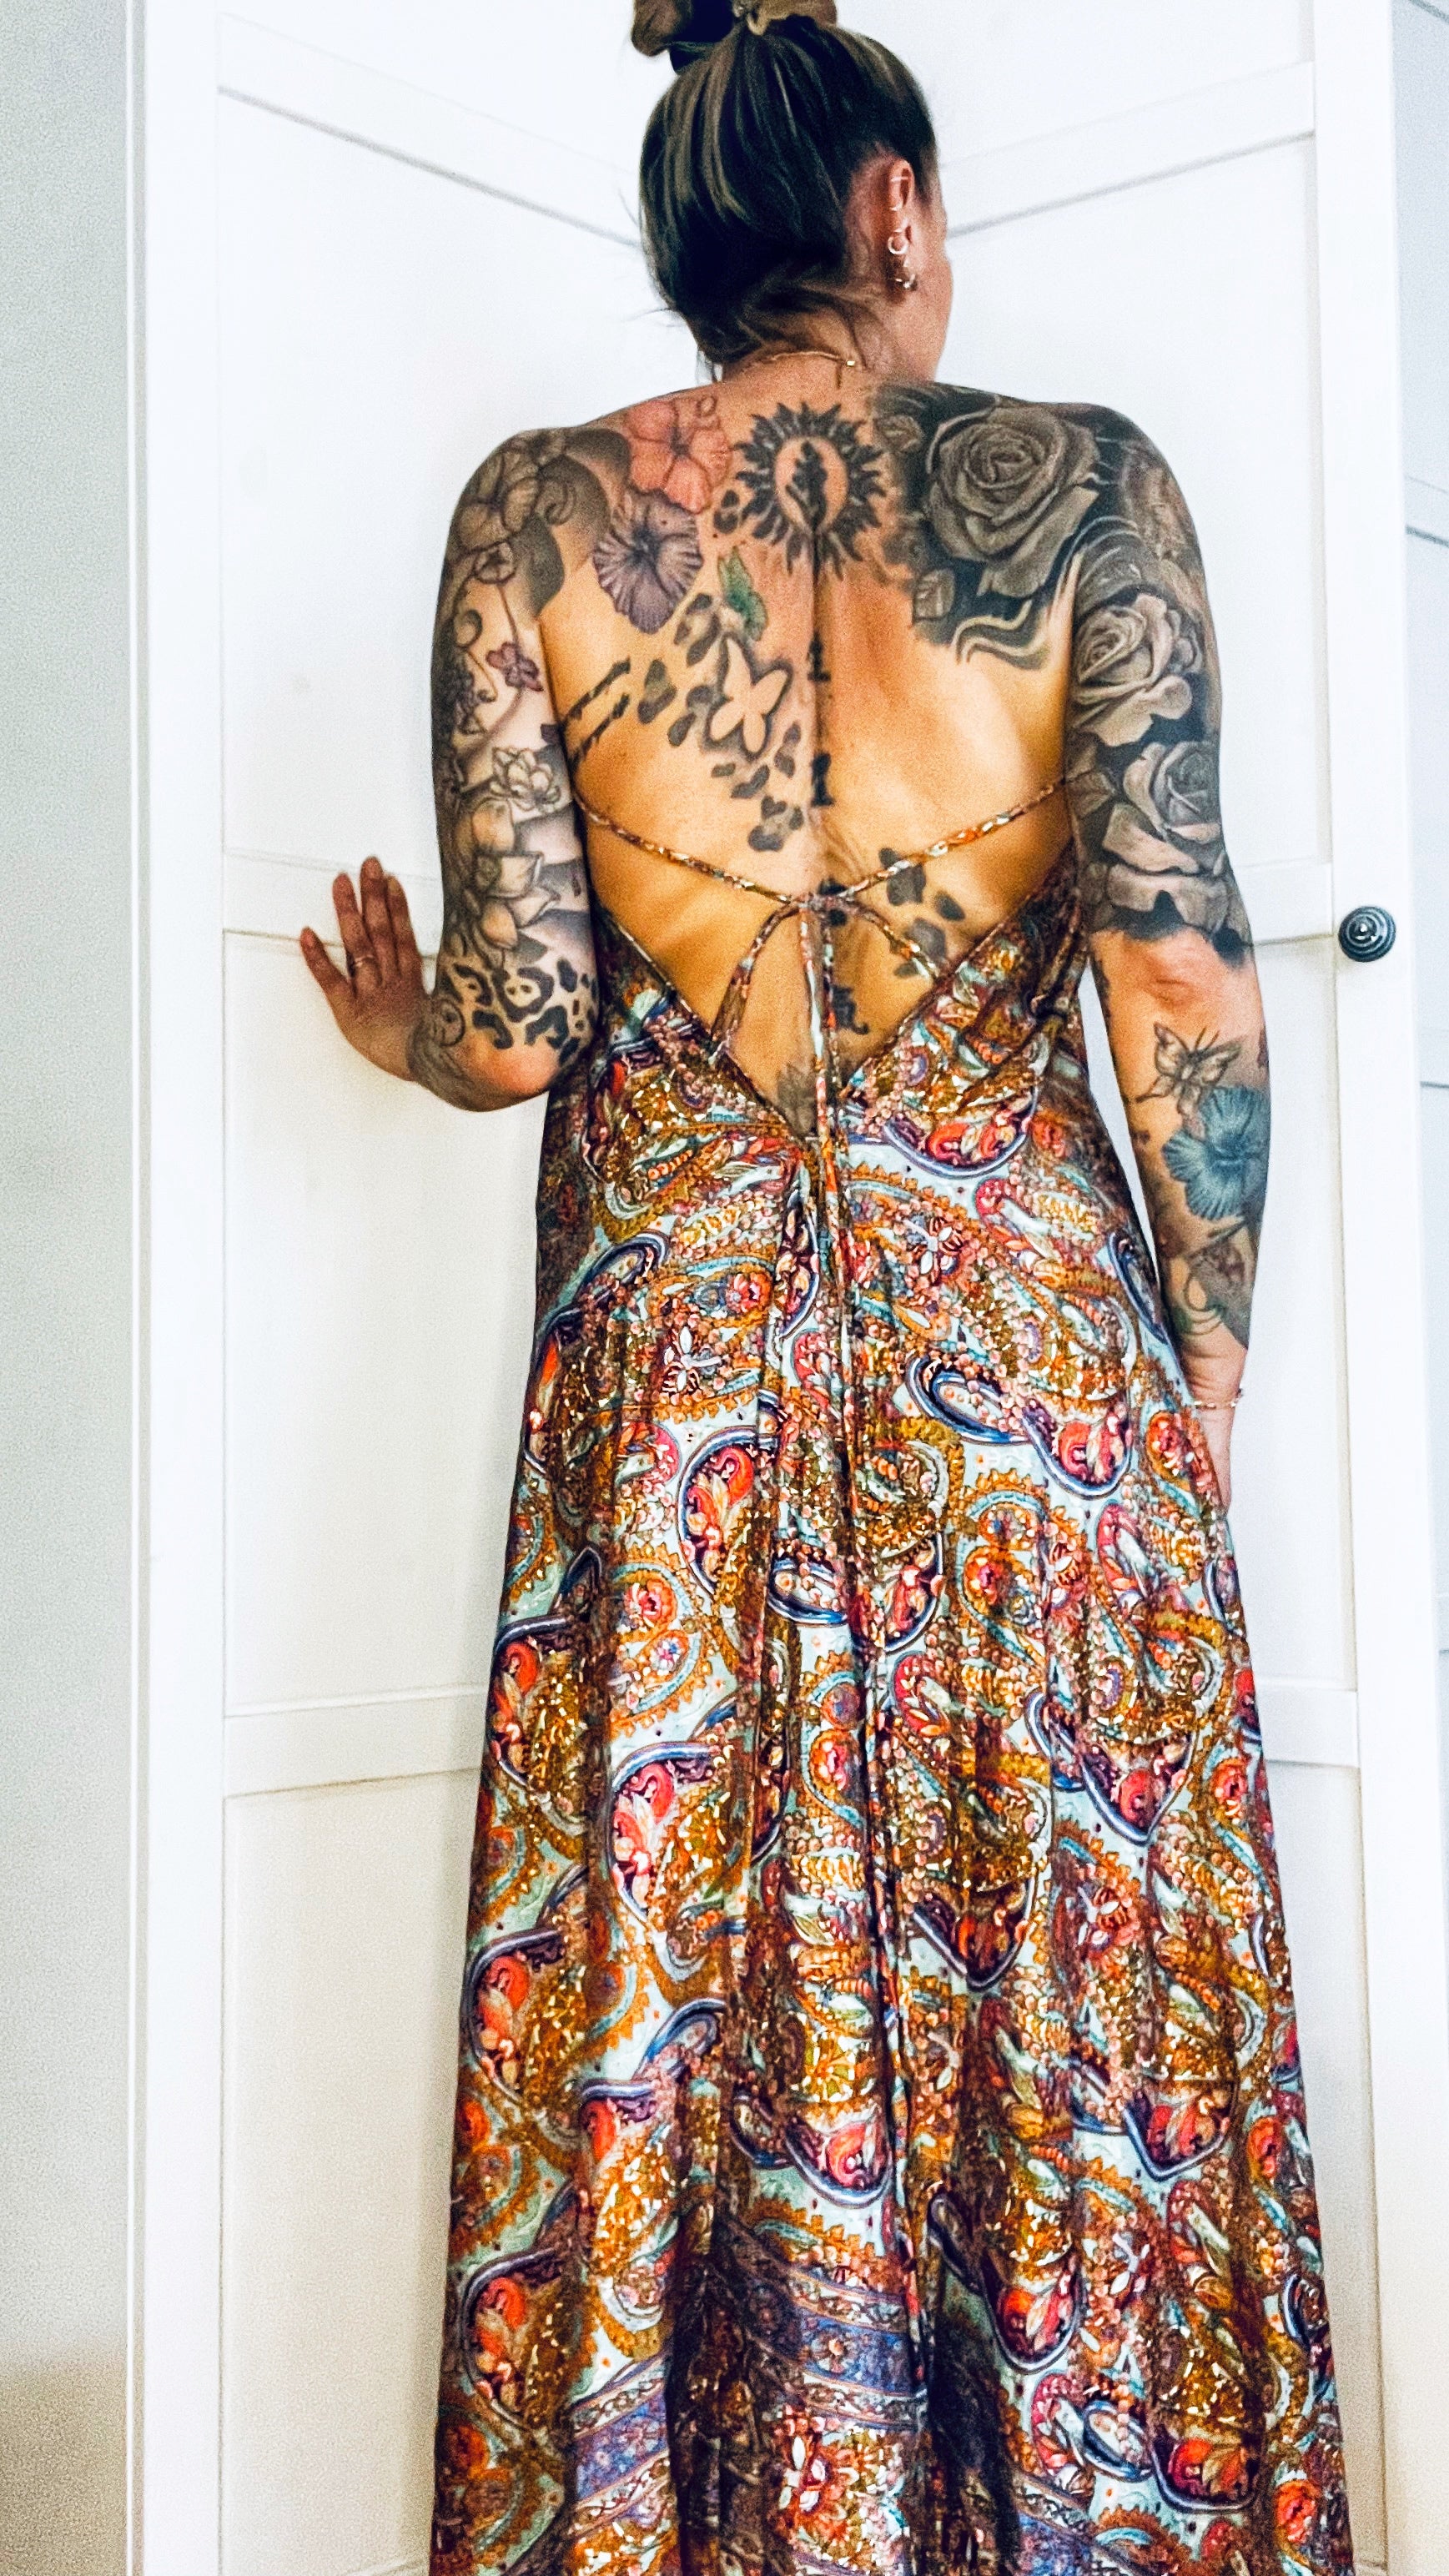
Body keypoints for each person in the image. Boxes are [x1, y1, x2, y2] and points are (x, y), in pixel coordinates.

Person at [301, 3, 1351, 2568]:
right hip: (1023, 1379)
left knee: (696, 2012)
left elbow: (523, 1023)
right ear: (892, 212)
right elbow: (1178, 972)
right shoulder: (1080, 491)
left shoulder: (536, 516)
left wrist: (405, 1032)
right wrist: (1197, 1376)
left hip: (677, 1409)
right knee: (1052, 2026)